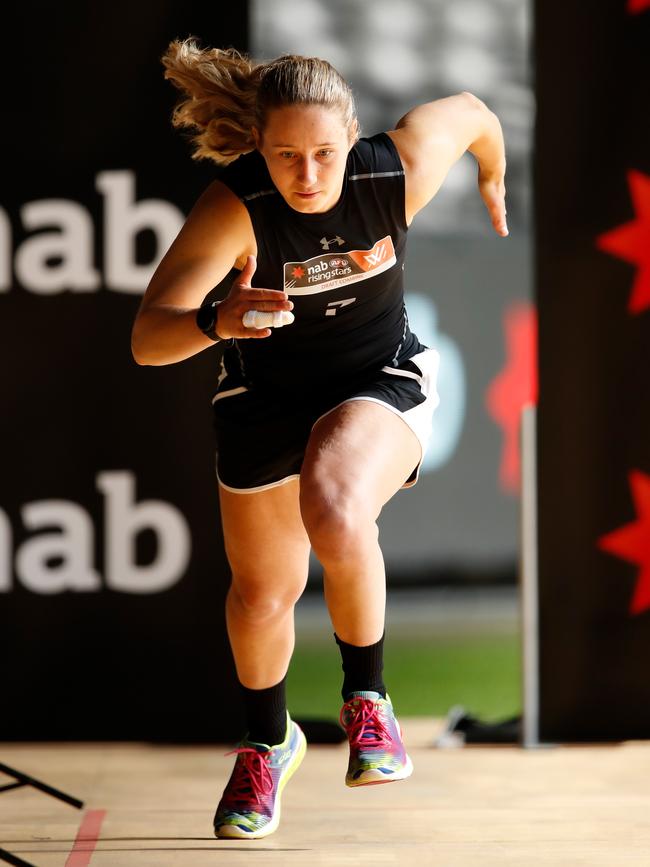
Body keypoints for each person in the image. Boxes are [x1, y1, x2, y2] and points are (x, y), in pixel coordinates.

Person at [131, 38, 507, 840]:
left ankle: (367, 700)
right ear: (260, 148)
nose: (308, 176)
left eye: (325, 154)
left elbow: (475, 114)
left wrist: (493, 174)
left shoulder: (391, 172)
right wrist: (215, 320)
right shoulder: (236, 207)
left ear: (354, 139)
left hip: (380, 379)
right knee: (263, 595)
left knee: (334, 503)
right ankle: (268, 740)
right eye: (287, 156)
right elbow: (147, 338)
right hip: (263, 399)